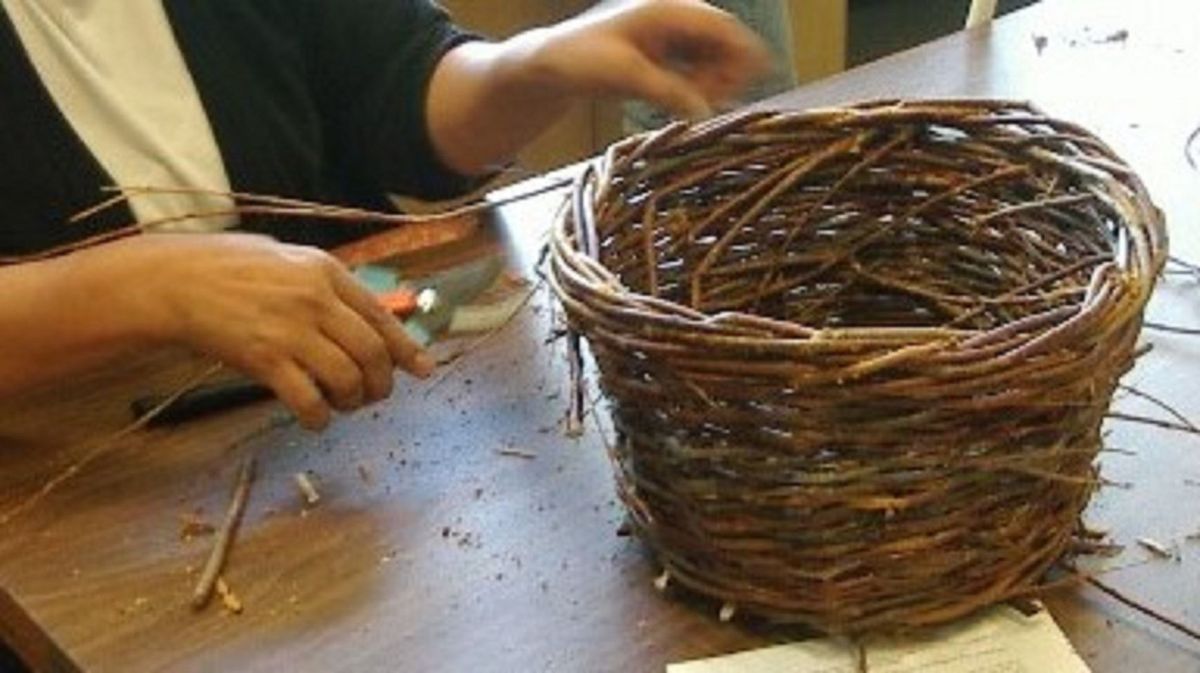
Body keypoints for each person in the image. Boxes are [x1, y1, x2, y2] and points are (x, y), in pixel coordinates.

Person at [0, 0, 769, 431]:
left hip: (328, 429)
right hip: (76, 495)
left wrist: (532, 66)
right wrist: (152, 288)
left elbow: (390, 80)